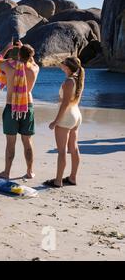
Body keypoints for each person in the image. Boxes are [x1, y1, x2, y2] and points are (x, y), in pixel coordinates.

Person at [0, 42, 40, 180]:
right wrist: (25, 52)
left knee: (10, 142)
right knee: (28, 141)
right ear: (31, 56)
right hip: (27, 106)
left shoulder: (9, 67)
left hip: (11, 106)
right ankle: (30, 172)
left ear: (18, 54)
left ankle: (7, 173)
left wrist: (8, 47)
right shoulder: (35, 69)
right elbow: (32, 61)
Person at [44, 57, 85, 188]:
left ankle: (58, 181)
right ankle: (72, 178)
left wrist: (55, 121)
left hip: (67, 116)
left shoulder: (69, 81)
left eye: (63, 63)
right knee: (74, 148)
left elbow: (65, 103)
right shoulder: (77, 79)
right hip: (76, 115)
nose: (61, 64)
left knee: (62, 151)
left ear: (67, 67)